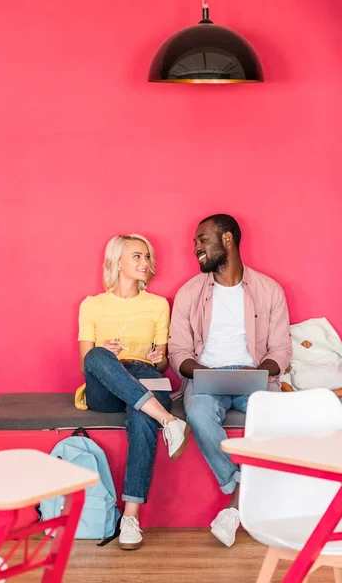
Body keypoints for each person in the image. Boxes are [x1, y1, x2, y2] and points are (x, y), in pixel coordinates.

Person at [169, 214, 292, 547]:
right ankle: (241, 489)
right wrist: (202, 373)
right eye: (195, 241)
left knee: (276, 418)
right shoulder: (189, 293)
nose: (195, 247)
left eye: (202, 239)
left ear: (227, 240)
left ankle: (234, 507)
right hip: (205, 375)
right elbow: (178, 351)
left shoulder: (269, 290)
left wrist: (260, 373)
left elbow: (281, 348)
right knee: (197, 414)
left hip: (256, 375)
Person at [78, 234, 190, 550]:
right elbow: (85, 361)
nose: (145, 263)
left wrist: (160, 358)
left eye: (147, 257)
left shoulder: (157, 305)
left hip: (144, 374)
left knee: (142, 417)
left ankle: (131, 517)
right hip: (104, 386)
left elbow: (164, 359)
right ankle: (170, 421)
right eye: (137, 257)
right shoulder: (92, 305)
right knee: (97, 355)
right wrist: (104, 350)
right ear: (117, 262)